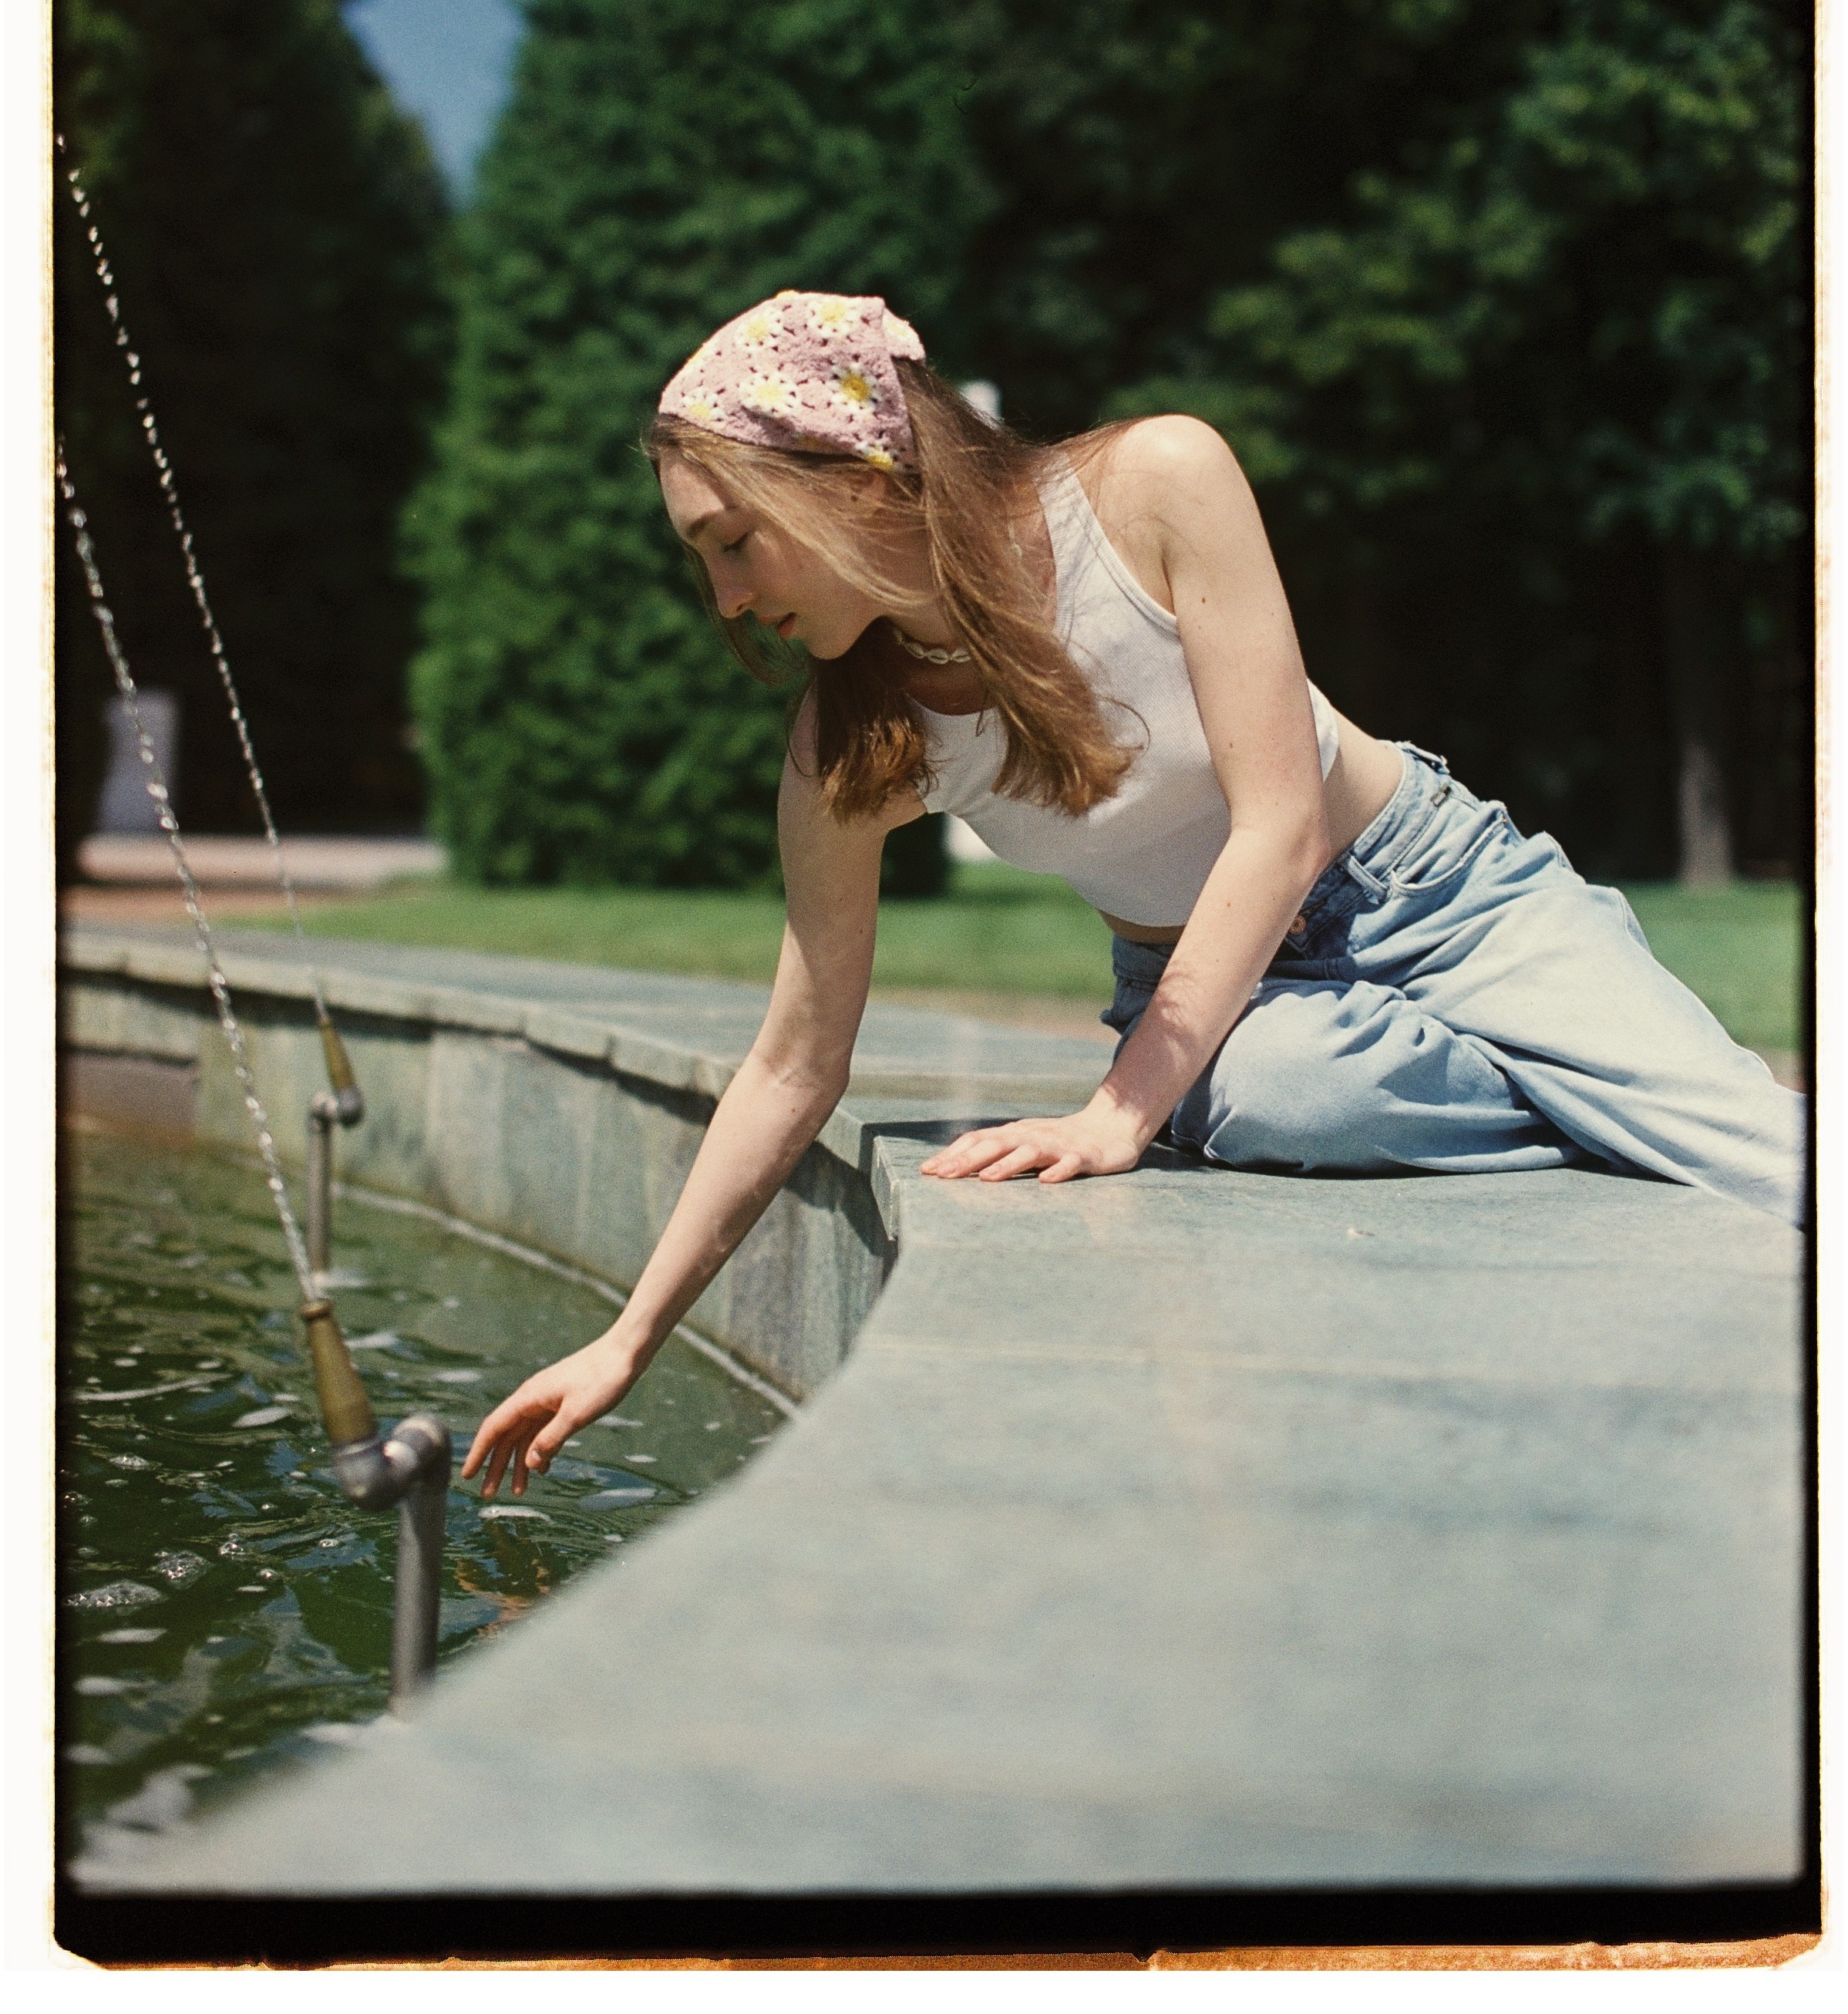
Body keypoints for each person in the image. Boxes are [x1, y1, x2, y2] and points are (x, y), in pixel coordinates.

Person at [464, 290, 1804, 1499]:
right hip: (1236, 1004)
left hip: (1440, 896)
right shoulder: (845, 749)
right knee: (1293, 1096)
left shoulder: (1154, 482)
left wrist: (1120, 1111)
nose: (727, 597)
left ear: (853, 469)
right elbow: (791, 1063)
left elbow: (1278, 823)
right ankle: (1591, 1079)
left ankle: (1600, 1044)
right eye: (705, 560)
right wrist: (627, 1337)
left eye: (734, 540)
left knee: (1769, 1158)